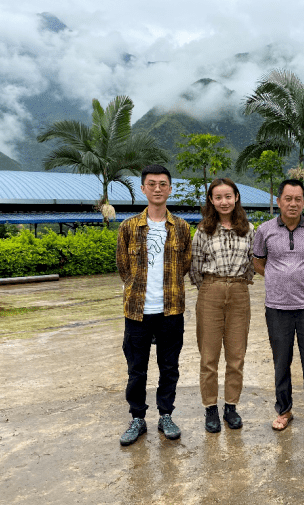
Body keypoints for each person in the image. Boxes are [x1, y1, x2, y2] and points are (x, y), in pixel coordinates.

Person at [116, 165, 192, 446]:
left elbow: (184, 265)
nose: (157, 188)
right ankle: (137, 417)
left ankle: (165, 415)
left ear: (170, 189)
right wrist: (138, 291)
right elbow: (124, 268)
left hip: (171, 310)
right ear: (143, 189)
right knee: (137, 369)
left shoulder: (182, 227)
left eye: (163, 184)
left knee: (169, 367)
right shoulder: (128, 227)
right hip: (137, 312)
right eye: (152, 184)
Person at [253, 179, 304, 438]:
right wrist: (278, 280)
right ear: (279, 201)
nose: (293, 203)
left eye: (298, 199)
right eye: (288, 198)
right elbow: (258, 263)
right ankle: (284, 410)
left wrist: (302, 280)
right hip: (276, 307)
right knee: (281, 360)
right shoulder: (264, 230)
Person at [190, 178, 255, 433]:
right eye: (218, 197)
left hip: (239, 291)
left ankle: (231, 407)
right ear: (211, 201)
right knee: (209, 356)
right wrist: (210, 287)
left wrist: (238, 283)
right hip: (210, 291)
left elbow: (253, 262)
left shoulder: (249, 229)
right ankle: (210, 408)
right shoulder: (203, 231)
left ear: (236, 197)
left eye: (228, 196)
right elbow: (195, 267)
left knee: (236, 355)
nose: (224, 202)